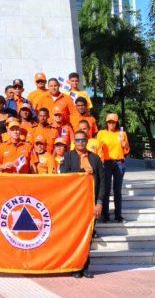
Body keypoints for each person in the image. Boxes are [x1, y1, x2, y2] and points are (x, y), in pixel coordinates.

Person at [60, 130, 105, 279]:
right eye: (78, 140)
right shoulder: (68, 157)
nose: (80, 143)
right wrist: (81, 171)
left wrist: (99, 202)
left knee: (88, 236)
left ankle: (85, 266)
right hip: (73, 204)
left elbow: (103, 182)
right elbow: (64, 176)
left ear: (87, 142)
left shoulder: (95, 158)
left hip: (90, 203)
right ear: (74, 142)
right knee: (74, 236)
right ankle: (75, 266)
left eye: (83, 140)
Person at [96, 113, 130, 223]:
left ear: (116, 123)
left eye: (113, 122)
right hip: (106, 163)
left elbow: (127, 150)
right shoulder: (101, 133)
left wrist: (125, 145)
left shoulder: (122, 133)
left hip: (119, 163)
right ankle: (105, 215)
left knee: (117, 190)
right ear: (106, 123)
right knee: (105, 189)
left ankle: (118, 215)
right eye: (109, 122)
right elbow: (97, 148)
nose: (111, 124)